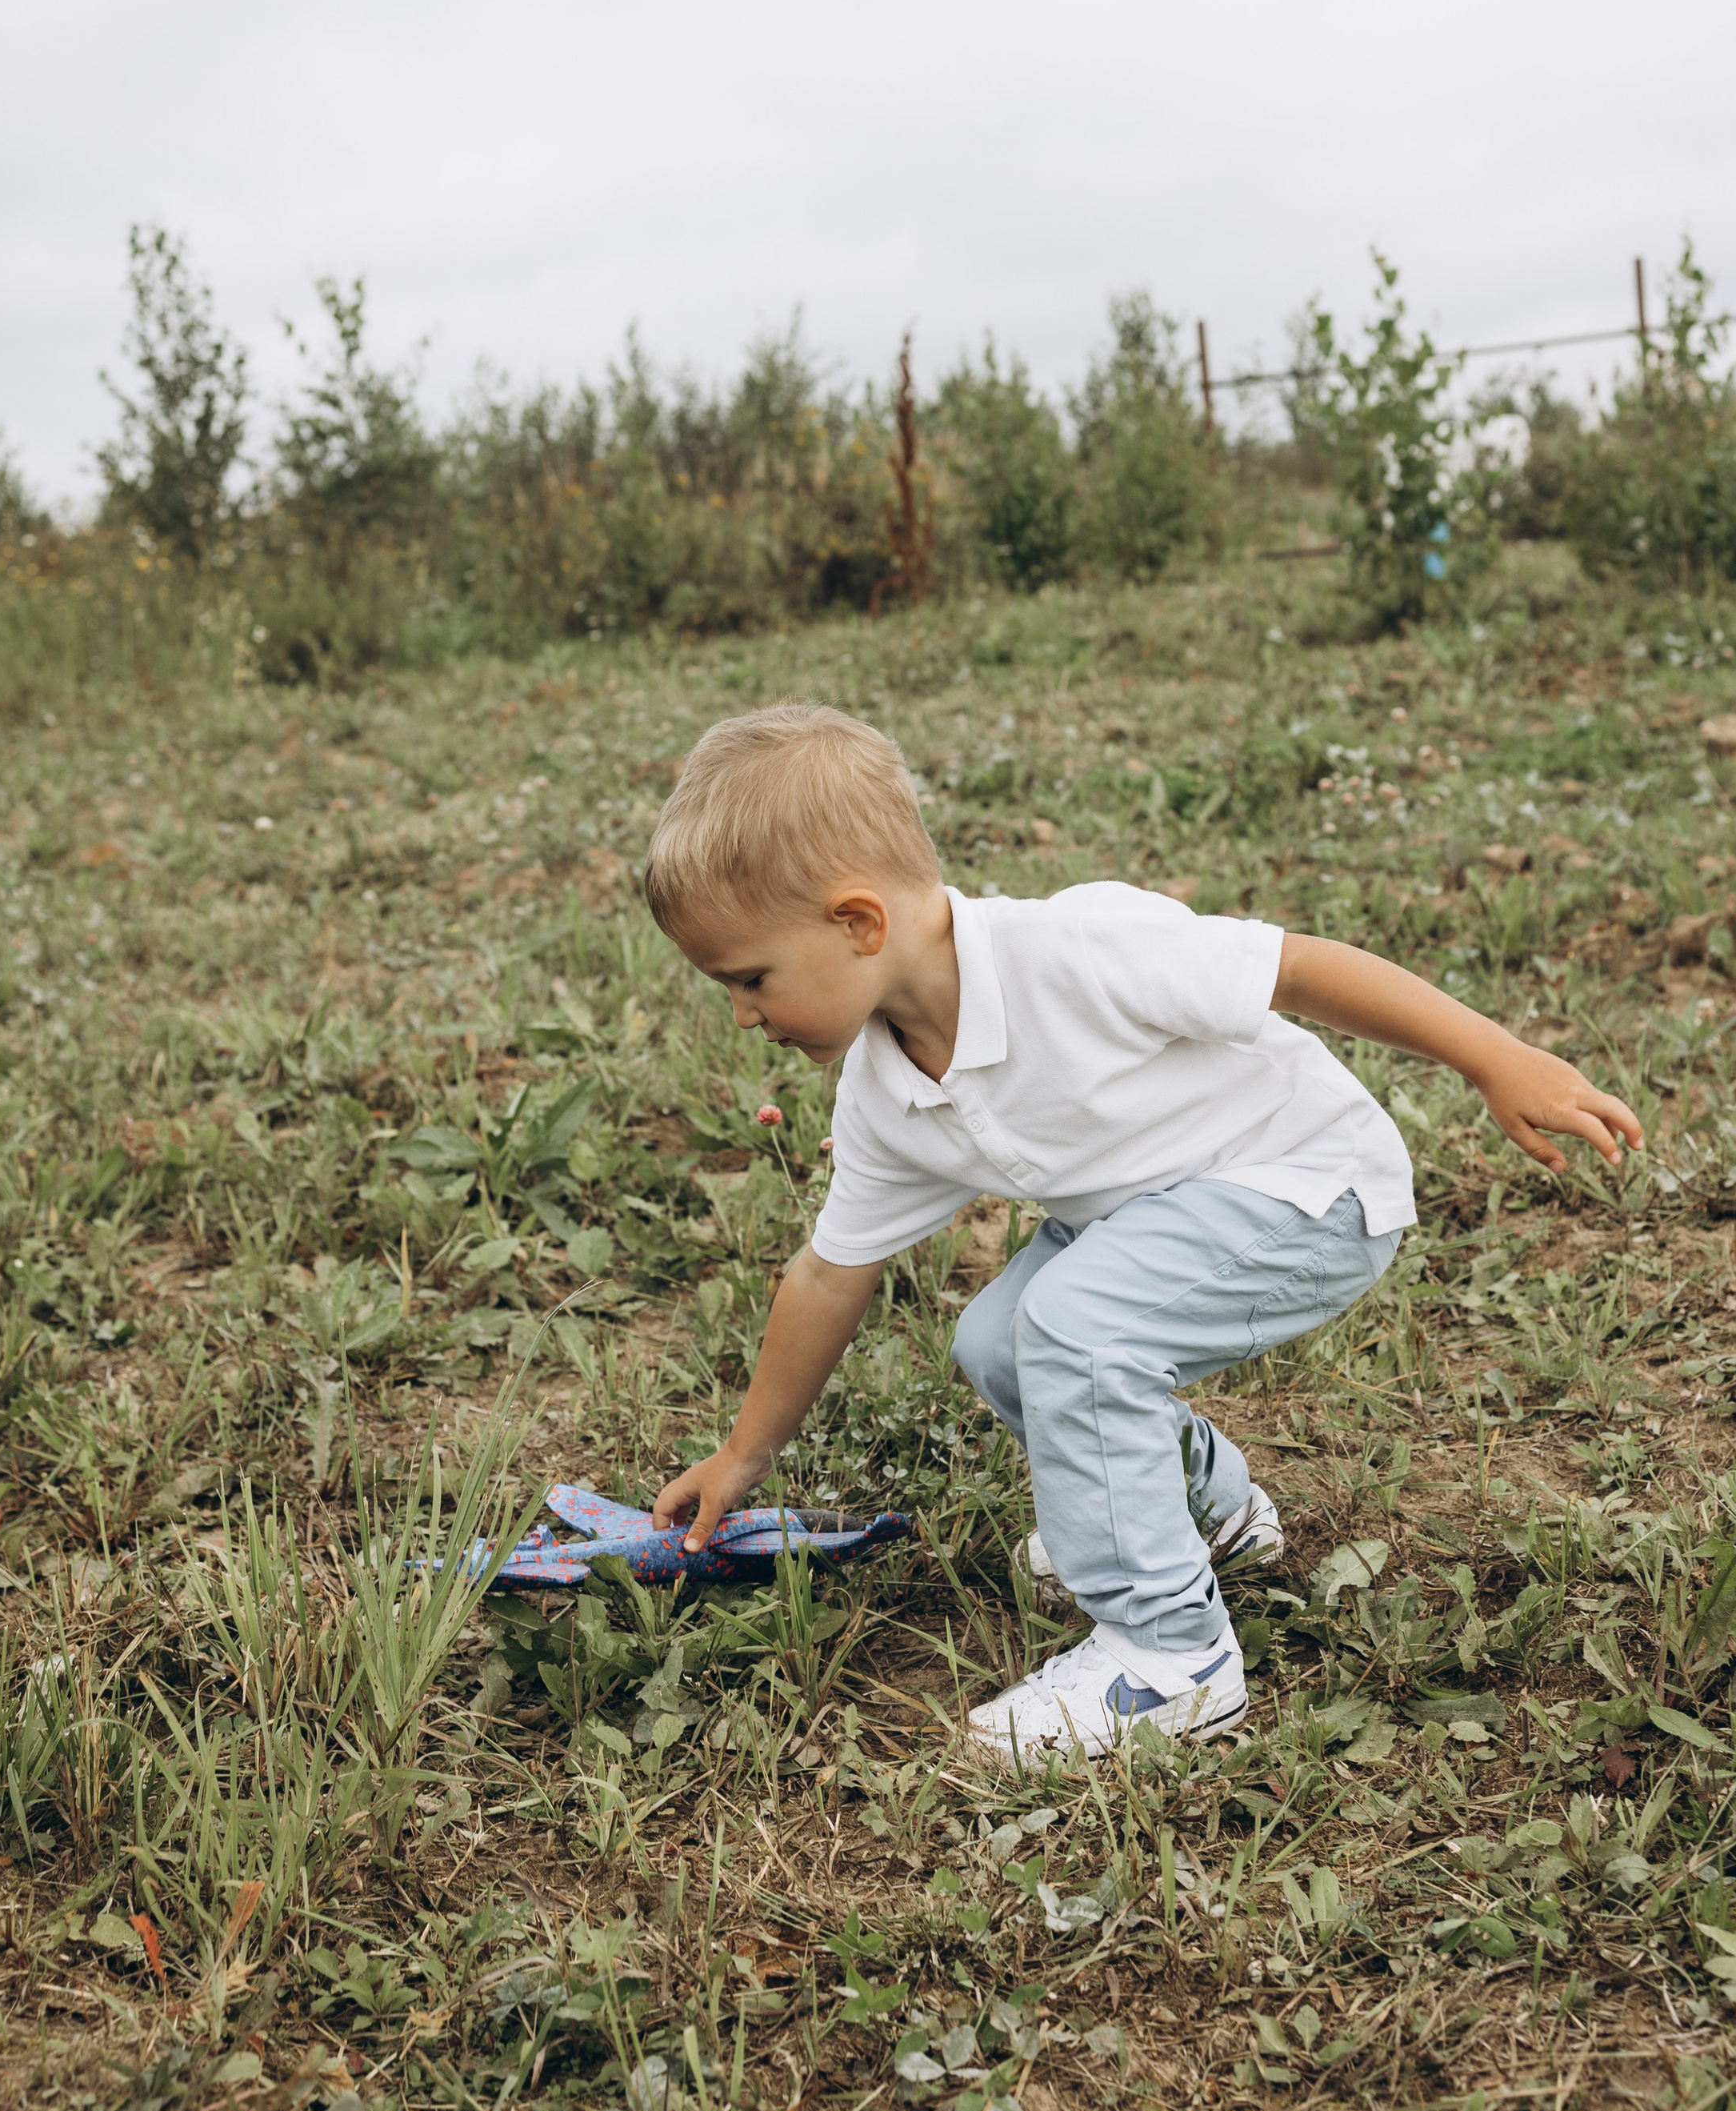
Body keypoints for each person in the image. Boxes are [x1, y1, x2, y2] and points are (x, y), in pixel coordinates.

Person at [643, 702, 1639, 1761]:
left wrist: (1495, 1058)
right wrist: (745, 1454)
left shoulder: (1076, 949)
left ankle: (1170, 1659)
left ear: (857, 924)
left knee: (1073, 1326)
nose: (745, 1015)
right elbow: (828, 1275)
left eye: (750, 979)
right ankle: (1205, 1512)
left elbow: (1296, 968)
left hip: (1306, 1188)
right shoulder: (888, 1093)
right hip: (1154, 1214)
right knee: (995, 1338)